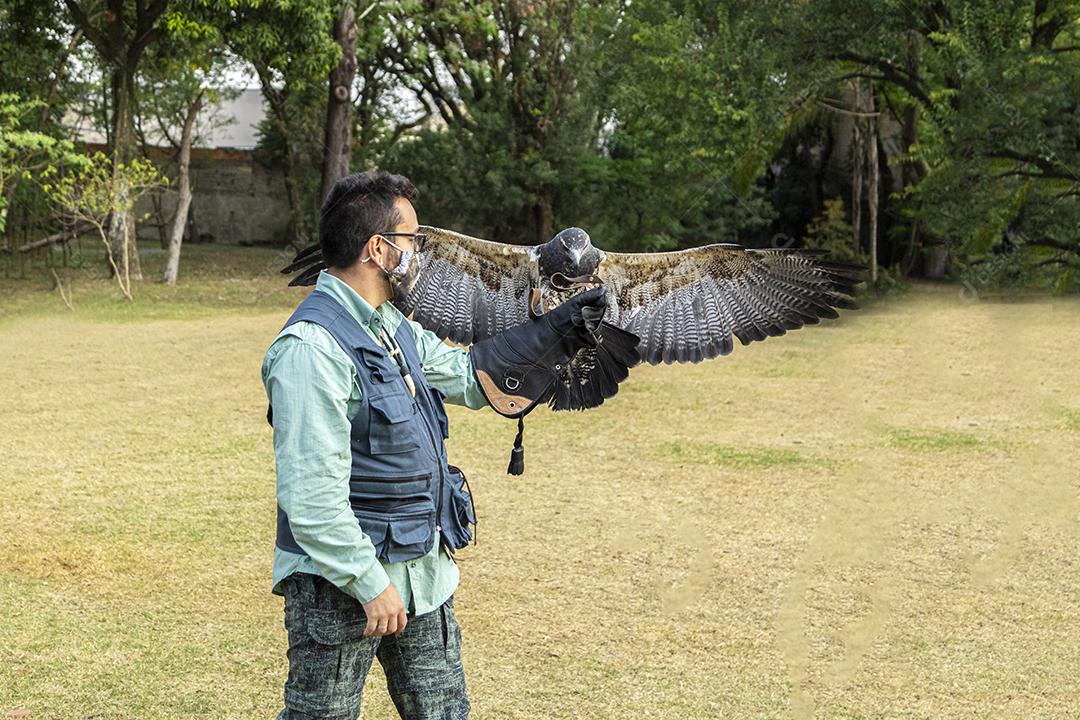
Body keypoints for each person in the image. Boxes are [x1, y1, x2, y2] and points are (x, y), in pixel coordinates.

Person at [262, 170, 610, 719]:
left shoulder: (392, 326)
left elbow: (470, 375)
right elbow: (310, 500)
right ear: (379, 250)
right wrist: (369, 583)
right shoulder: (312, 349)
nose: (420, 254)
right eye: (412, 242)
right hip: (343, 583)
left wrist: (554, 331)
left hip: (422, 570)